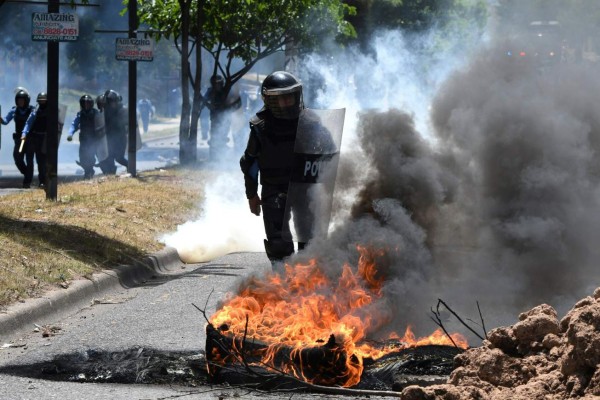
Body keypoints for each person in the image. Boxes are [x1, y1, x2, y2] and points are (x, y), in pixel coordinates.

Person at [239, 71, 307, 269]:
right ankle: (281, 281)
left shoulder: (310, 122)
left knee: (309, 239)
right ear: (270, 100)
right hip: (274, 188)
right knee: (278, 241)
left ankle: (309, 281)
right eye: (281, 98)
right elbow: (249, 163)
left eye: (290, 96)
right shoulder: (261, 127)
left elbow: (326, 155)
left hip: (304, 188)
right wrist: (252, 195)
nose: (287, 101)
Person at [67, 94, 108, 179]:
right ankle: (88, 172)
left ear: (91, 104)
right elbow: (74, 124)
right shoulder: (80, 114)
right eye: (84, 103)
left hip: (94, 139)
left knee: (99, 156)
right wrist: (70, 134)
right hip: (84, 140)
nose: (86, 105)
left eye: (88, 103)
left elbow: (102, 124)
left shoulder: (96, 113)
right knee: (83, 158)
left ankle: (107, 172)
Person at [0, 89, 36, 188]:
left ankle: (27, 182)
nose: (20, 102)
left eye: (22, 100)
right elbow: (5, 121)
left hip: (30, 139)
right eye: (18, 100)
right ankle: (27, 174)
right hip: (19, 139)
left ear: (26, 100)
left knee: (29, 159)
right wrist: (1, 119)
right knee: (18, 158)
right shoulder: (14, 110)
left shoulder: (32, 110)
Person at [205, 74, 241, 159]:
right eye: (215, 84)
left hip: (225, 119)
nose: (217, 86)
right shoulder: (210, 91)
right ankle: (214, 157)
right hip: (214, 118)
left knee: (222, 136)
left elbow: (238, 103)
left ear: (221, 83)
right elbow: (204, 100)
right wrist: (209, 105)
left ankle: (222, 156)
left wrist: (228, 109)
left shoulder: (227, 91)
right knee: (214, 137)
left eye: (218, 83)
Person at [21, 92, 49, 187]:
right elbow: (28, 123)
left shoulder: (51, 111)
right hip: (37, 138)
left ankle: (48, 179)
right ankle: (42, 180)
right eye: (40, 101)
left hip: (47, 138)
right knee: (40, 161)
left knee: (46, 161)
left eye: (43, 101)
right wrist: (24, 133)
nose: (42, 102)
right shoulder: (35, 111)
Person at [100, 89, 128, 174]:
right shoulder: (104, 111)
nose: (114, 103)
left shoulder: (122, 110)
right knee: (109, 157)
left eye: (115, 101)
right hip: (109, 137)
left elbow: (128, 123)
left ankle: (130, 166)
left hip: (120, 137)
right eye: (112, 101)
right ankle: (111, 173)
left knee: (119, 158)